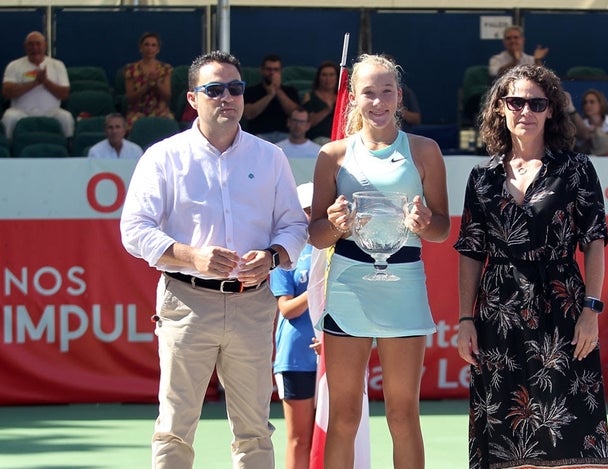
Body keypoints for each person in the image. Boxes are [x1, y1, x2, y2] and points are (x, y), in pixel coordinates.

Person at [120, 50, 308, 468]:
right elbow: (134, 229)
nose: (228, 97)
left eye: (236, 88)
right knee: (174, 427)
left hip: (254, 303)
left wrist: (274, 256)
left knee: (255, 431)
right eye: (215, 89)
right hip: (186, 302)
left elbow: (294, 227)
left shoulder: (270, 157)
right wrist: (191, 256)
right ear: (192, 99)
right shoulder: (163, 157)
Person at [455, 64, 608, 468]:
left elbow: (594, 241)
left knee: (574, 434)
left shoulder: (576, 169)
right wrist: (465, 320)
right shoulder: (481, 177)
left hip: (562, 306)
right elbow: (472, 250)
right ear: (500, 109)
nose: (525, 110)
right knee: (508, 432)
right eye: (516, 101)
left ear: (550, 111)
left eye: (536, 103)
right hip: (498, 312)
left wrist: (591, 311)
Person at [308, 53, 450, 469]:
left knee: (403, 415)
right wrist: (334, 226)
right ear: (354, 99)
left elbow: (442, 228)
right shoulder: (332, 155)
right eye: (368, 92)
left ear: (399, 96)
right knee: (345, 416)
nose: (378, 101)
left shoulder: (425, 151)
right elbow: (316, 235)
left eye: (386, 91)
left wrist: (425, 223)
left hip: (403, 286)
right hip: (349, 287)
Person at [271, 182, 318, 469]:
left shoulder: (338, 250)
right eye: (306, 211)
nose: (312, 217)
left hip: (335, 355)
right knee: (300, 438)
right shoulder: (286, 254)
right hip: (295, 359)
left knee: (331, 434)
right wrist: (316, 292)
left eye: (317, 210)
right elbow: (286, 309)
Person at [1, 31, 74, 139]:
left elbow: (64, 94)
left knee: (66, 117)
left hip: (52, 112)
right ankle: (8, 152)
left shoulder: (57, 65)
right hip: (21, 112)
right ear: (25, 47)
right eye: (30, 44)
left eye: (38, 44)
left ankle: (69, 150)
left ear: (45, 46)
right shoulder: (14, 65)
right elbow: (7, 92)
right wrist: (34, 83)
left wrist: (45, 82)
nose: (34, 47)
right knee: (8, 117)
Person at [243, 54, 300, 143]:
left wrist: (277, 90)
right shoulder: (251, 90)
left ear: (281, 71)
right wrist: (269, 95)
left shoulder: (290, 91)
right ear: (262, 70)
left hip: (286, 137)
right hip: (259, 136)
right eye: (269, 69)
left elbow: (295, 113)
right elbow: (248, 114)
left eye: (276, 70)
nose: (272, 73)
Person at [123, 32, 174, 129]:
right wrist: (147, 85)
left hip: (160, 110)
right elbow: (130, 99)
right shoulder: (130, 69)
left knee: (169, 123)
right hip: (137, 111)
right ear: (140, 47)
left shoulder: (166, 68)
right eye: (146, 44)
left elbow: (168, 96)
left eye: (153, 45)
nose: (150, 48)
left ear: (158, 49)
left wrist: (156, 83)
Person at [568, 88, 608, 156]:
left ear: (601, 104)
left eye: (592, 102)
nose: (588, 105)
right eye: (585, 102)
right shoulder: (580, 125)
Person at [302, 61, 338, 143]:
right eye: (324, 75)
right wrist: (327, 110)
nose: (328, 79)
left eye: (331, 75)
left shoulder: (343, 97)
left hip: (339, 139)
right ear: (319, 77)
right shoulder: (309, 96)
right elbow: (309, 123)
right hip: (316, 139)